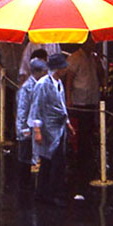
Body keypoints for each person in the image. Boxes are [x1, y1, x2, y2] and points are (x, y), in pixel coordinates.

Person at [29, 52, 75, 206]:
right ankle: (51, 193)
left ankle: (45, 192)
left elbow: (61, 106)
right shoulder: (43, 84)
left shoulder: (59, 83)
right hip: (48, 129)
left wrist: (67, 122)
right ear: (58, 69)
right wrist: (37, 130)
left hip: (59, 128)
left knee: (53, 161)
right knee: (52, 161)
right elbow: (36, 107)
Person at [16, 57, 47, 196]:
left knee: (36, 157)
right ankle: (24, 188)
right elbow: (22, 111)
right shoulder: (27, 88)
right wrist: (23, 130)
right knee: (25, 157)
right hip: (27, 129)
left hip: (37, 127)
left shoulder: (41, 85)